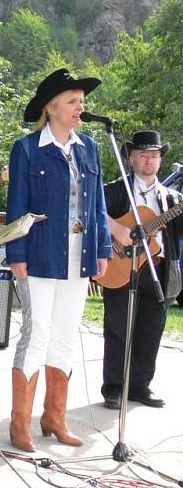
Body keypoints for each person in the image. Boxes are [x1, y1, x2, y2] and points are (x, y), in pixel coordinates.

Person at [5, 69, 111, 452]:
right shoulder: (28, 149)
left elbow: (97, 205)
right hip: (39, 256)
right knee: (37, 335)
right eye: (73, 101)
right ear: (51, 108)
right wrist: (16, 254)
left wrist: (102, 251)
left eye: (81, 101)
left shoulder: (90, 148)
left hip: (78, 259)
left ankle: (55, 418)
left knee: (66, 337)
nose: (80, 107)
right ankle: (21, 425)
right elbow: (16, 206)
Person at [101, 131, 183, 409]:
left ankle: (140, 386)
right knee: (118, 328)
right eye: (143, 155)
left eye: (154, 156)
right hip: (121, 265)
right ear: (132, 159)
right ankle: (114, 388)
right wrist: (119, 232)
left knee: (151, 329)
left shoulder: (171, 198)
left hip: (158, 270)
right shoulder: (114, 190)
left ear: (161, 160)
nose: (149, 161)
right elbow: (90, 214)